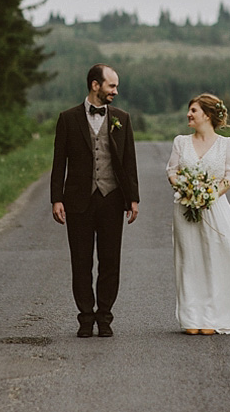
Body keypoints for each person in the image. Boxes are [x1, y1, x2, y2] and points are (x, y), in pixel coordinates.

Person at [166, 93, 230, 335]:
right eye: (189, 110)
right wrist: (185, 188)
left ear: (208, 115)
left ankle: (212, 316)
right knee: (189, 259)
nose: (189, 115)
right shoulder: (180, 142)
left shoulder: (227, 145)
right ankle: (191, 317)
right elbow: (171, 170)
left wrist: (209, 195)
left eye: (193, 110)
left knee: (214, 259)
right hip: (184, 208)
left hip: (215, 208)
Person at [51, 64, 140, 338]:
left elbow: (129, 161)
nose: (115, 91)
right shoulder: (67, 118)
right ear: (95, 85)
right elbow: (58, 163)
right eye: (111, 86)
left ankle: (105, 317)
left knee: (110, 261)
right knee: (80, 261)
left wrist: (133, 199)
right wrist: (57, 199)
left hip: (112, 199)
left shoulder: (121, 118)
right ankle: (85, 318)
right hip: (78, 200)